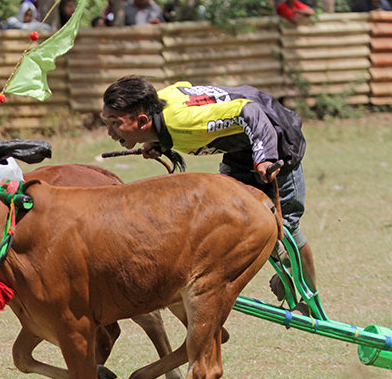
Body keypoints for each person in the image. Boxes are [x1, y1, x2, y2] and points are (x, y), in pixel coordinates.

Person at [102, 76, 317, 315]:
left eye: (115, 123)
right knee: (241, 221)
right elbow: (185, 89)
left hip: (275, 138)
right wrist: (159, 140)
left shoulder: (184, 123)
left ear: (143, 120)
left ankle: (309, 300)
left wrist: (264, 156)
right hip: (240, 150)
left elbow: (250, 111)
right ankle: (283, 267)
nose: (109, 131)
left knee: (286, 229)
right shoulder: (159, 105)